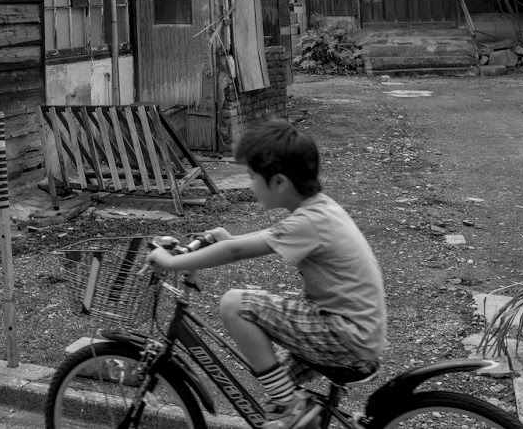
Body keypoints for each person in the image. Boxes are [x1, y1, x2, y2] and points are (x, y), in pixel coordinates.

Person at [147, 118, 386, 429]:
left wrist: (169, 262)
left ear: (279, 183)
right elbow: (254, 241)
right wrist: (230, 238)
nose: (249, 184)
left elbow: (237, 252)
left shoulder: (307, 222)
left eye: (252, 177)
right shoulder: (319, 210)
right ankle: (292, 409)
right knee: (277, 397)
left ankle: (292, 406)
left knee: (235, 305)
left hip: (342, 333)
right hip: (354, 332)